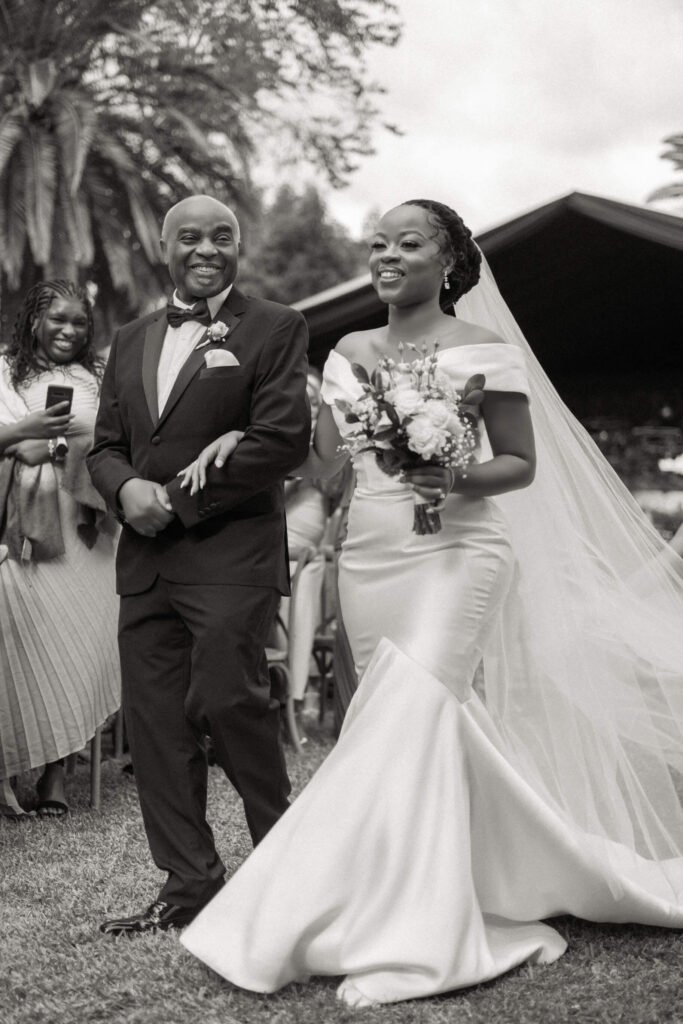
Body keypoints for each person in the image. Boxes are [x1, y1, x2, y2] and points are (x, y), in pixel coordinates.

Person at [181, 200, 683, 1007]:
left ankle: (410, 928)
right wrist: (236, 435)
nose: (385, 256)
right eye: (376, 243)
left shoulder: (485, 349)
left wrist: (453, 474)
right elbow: (322, 464)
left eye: (406, 244)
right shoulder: (346, 350)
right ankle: (519, 867)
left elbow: (517, 463)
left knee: (406, 714)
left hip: (461, 552)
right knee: (413, 722)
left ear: (446, 260)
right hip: (371, 554)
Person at [87, 195, 311, 936]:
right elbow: (106, 445)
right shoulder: (129, 338)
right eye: (190, 236)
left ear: (238, 246)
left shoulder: (275, 326)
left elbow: (280, 439)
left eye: (221, 235)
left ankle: (287, 871)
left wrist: (176, 502)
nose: (205, 247)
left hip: (228, 554)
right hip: (145, 564)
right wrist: (125, 489)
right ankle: (189, 886)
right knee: (155, 726)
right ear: (164, 245)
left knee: (228, 704)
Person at [0, 280, 120, 820]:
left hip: (88, 529)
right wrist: (19, 435)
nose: (69, 331)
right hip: (25, 531)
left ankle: (56, 773)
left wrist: (53, 445)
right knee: (21, 648)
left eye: (79, 323)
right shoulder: (6, 370)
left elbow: (124, 438)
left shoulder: (102, 376)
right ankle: (8, 767)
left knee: (80, 649)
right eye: (58, 320)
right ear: (33, 322)